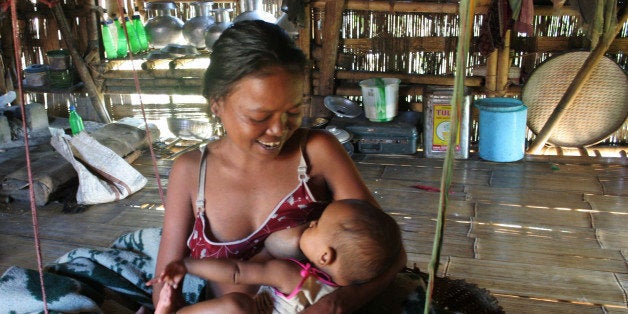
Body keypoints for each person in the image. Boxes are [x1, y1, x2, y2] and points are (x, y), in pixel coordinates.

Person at [152, 20, 406, 313]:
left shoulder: (315, 154)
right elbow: (164, 287)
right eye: (259, 117)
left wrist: (341, 302)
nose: (278, 130)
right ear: (217, 104)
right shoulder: (191, 172)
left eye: (293, 111)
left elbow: (391, 254)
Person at [148, 199, 403, 313]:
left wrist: (187, 265)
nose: (312, 222)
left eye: (318, 225)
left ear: (325, 256)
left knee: (238, 305)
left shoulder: (293, 276)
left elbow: (237, 272)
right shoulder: (345, 296)